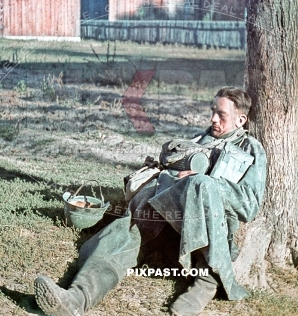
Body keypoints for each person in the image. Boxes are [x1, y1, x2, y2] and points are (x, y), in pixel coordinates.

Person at [34, 87, 267, 316]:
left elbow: (249, 205)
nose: (213, 119)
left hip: (202, 233)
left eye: (221, 115)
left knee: (201, 185)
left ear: (241, 120)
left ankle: (206, 279)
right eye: (212, 111)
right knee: (122, 235)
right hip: (162, 216)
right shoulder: (200, 140)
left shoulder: (250, 149)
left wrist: (204, 182)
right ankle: (76, 299)